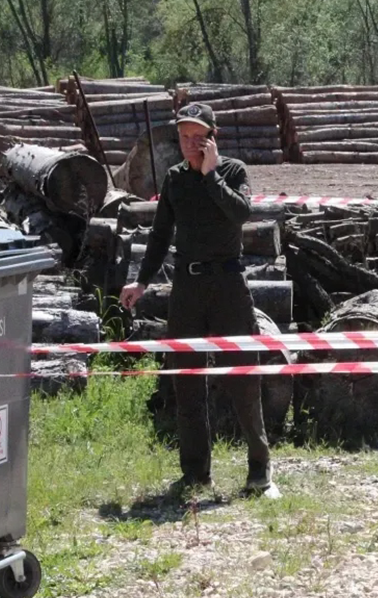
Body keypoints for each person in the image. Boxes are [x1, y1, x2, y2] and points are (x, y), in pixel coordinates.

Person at [119, 103, 278, 499]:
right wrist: (140, 282)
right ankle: (195, 475)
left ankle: (260, 472)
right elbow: (159, 235)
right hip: (187, 291)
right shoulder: (174, 179)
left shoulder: (233, 172)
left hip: (227, 287)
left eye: (197, 136)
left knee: (244, 380)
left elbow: (241, 213)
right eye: (184, 137)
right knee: (187, 383)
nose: (189, 144)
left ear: (212, 137)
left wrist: (210, 176)